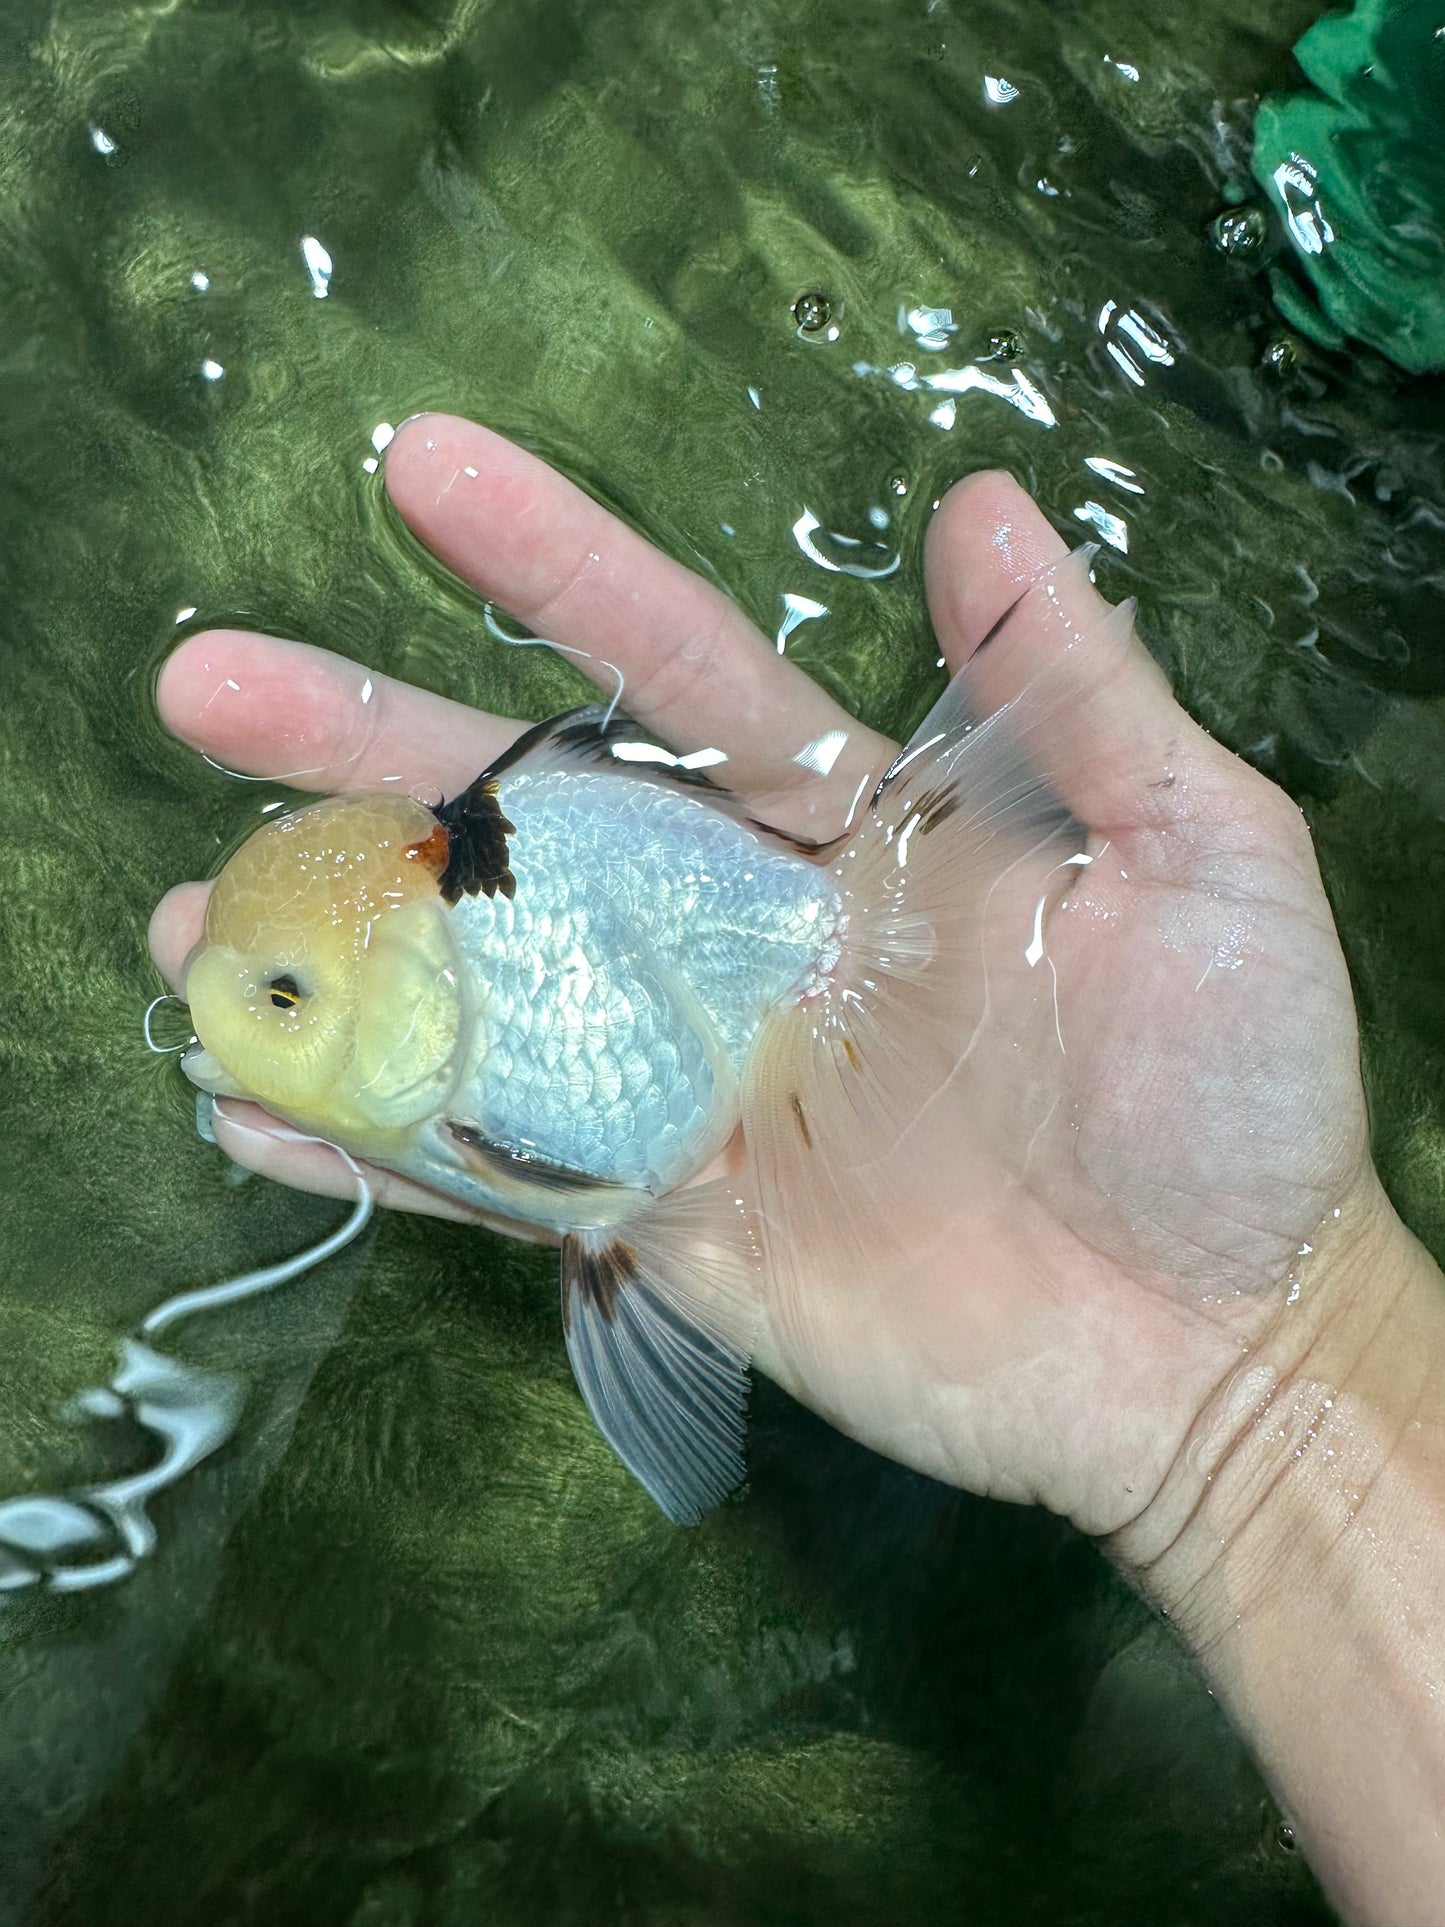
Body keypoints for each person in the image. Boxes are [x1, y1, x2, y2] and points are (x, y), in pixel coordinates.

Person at [149, 414, 1445, 1925]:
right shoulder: (461, 988)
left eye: (287, 1000)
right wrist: (1275, 1396)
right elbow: (613, 1208)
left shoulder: (528, 934)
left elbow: (611, 1188)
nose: (239, 1025)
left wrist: (1276, 1379)